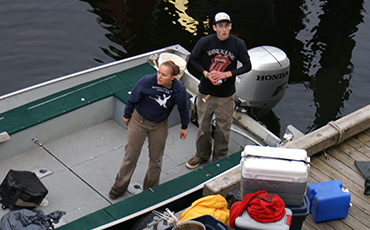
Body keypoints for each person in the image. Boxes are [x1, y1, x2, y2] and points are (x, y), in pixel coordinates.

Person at [109, 60, 190, 199]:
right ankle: (118, 188)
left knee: (156, 160)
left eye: (164, 75)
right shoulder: (146, 81)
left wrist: (184, 126)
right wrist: (127, 115)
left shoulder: (179, 90)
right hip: (139, 121)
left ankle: (150, 190)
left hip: (159, 125)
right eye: (159, 72)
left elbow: (184, 108)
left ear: (172, 78)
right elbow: (132, 98)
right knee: (131, 156)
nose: (159, 76)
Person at [186, 12, 252, 169]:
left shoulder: (238, 44)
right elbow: (193, 59)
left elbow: (247, 65)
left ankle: (219, 159)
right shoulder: (205, 42)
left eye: (226, 26)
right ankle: (201, 155)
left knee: (223, 130)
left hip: (226, 96)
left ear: (230, 27)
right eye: (220, 26)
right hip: (206, 93)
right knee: (203, 128)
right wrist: (206, 74)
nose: (224, 30)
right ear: (215, 28)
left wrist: (227, 74)